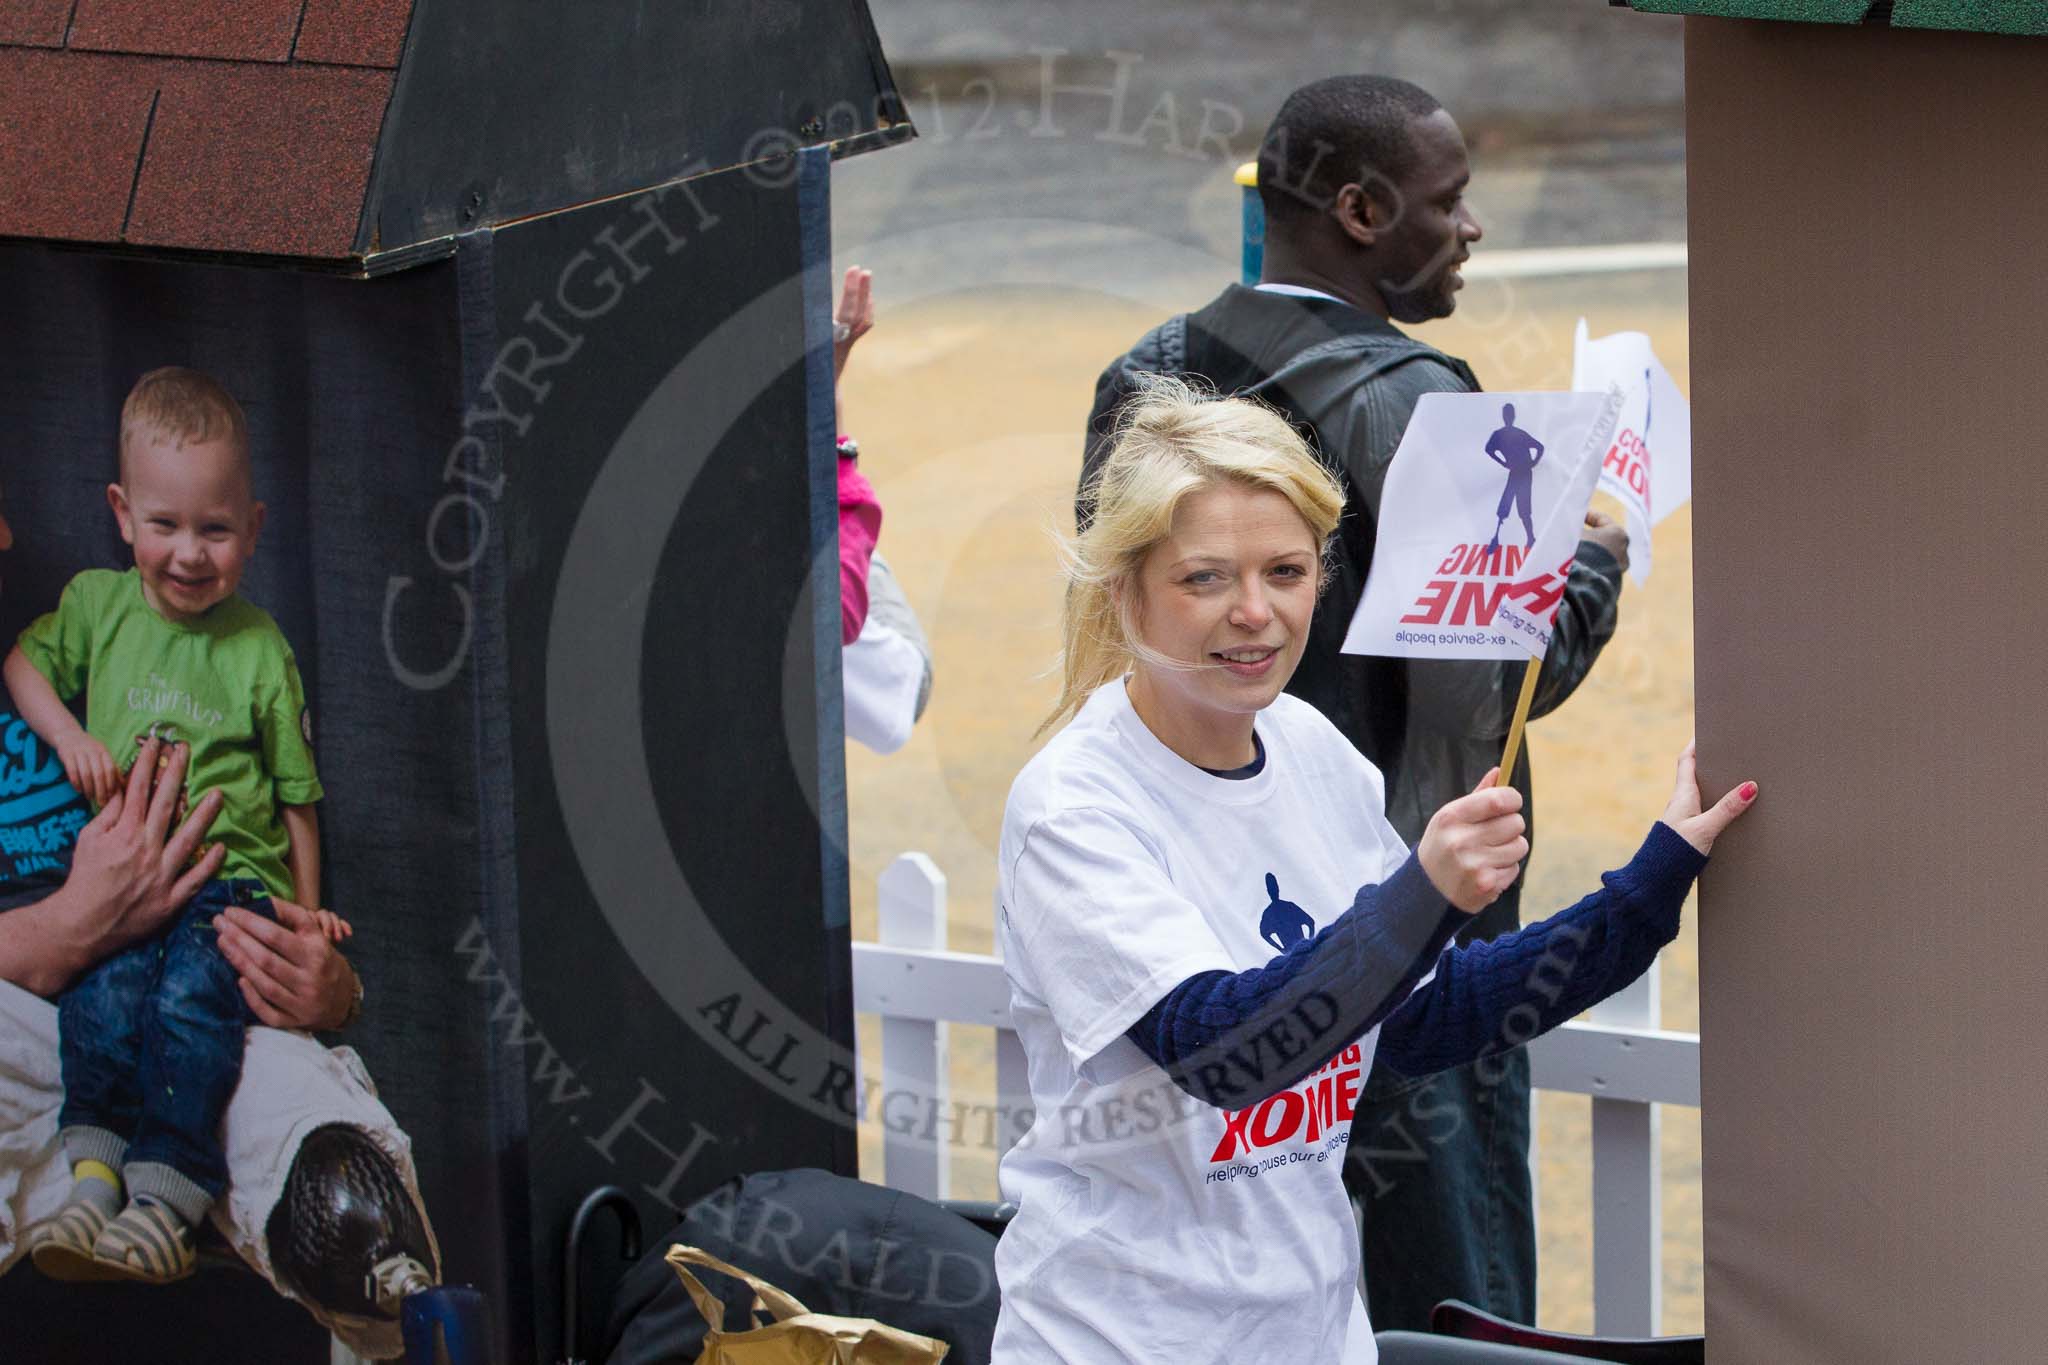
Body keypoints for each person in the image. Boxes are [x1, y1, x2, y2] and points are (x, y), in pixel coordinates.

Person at [998, 380, 1752, 1362]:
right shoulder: (1075, 807)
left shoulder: (1313, 752)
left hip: (1314, 1335)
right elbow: (1222, 1051)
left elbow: (1417, 1022)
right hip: (1119, 1340)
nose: (1254, 613)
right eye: (1203, 579)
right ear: (1122, 589)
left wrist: (1650, 884)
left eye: (1285, 570)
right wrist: (1422, 896)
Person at [1081, 75, 1628, 1328]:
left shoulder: (1139, 374)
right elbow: (1495, 682)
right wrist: (1596, 561)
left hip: (1201, 922)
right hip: (1399, 914)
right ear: (1361, 208)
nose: (1470, 229)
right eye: (1450, 201)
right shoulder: (1420, 396)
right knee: (1441, 1298)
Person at [0, 478, 432, 1353]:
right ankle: (97, 1185)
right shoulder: (87, 619)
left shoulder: (141, 643)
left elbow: (277, 813)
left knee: (348, 1200)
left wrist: (322, 979)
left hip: (196, 974)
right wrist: (77, 924)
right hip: (21, 1010)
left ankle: (194, 1209)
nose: (8, 535)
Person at [3, 367, 344, 1283]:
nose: (190, 554)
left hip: (226, 894)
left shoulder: (259, 649)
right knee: (104, 1006)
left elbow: (296, 798)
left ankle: (169, 1197)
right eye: (166, 526)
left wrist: (305, 917)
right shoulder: (97, 607)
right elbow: (24, 665)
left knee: (192, 1012)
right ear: (122, 514)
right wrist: (73, 738)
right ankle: (94, 1178)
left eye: (216, 530)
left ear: (254, 528)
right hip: (102, 914)